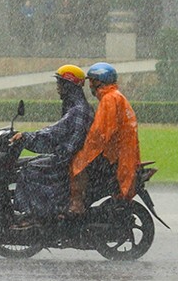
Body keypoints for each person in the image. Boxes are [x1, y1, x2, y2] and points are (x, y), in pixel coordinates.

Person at [13, 65, 92, 219]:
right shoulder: (75, 107)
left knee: (28, 170)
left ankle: (37, 216)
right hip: (68, 157)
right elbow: (57, 132)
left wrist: (26, 137)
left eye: (60, 84)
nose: (58, 88)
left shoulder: (78, 110)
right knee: (25, 163)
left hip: (67, 159)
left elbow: (55, 133)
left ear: (69, 86)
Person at [69, 62, 141, 215]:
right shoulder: (116, 96)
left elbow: (100, 133)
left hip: (115, 155)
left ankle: (77, 204)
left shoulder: (109, 99)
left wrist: (84, 151)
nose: (90, 86)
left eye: (91, 81)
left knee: (77, 164)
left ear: (97, 81)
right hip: (122, 153)